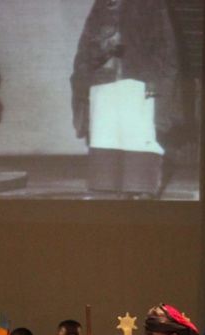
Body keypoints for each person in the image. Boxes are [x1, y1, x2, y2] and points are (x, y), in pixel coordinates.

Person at [70, 0, 180, 198]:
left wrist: (157, 81)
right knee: (106, 135)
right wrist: (86, 74)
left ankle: (140, 188)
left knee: (138, 135)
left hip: (137, 80)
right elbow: (87, 44)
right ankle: (108, 187)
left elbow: (165, 45)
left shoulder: (153, 5)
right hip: (103, 81)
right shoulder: (101, 5)